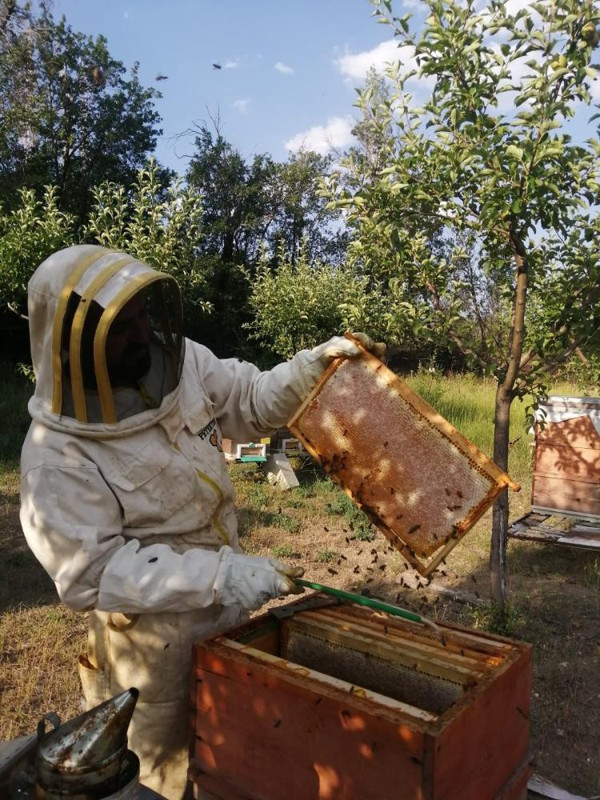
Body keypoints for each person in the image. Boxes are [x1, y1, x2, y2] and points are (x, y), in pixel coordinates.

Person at [19, 244, 383, 799]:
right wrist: (216, 576)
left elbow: (250, 402)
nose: (143, 333)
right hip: (150, 648)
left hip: (229, 619)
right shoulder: (56, 454)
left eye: (143, 314)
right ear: (73, 343)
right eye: (122, 328)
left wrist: (311, 367)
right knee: (159, 775)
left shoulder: (182, 361)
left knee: (229, 759)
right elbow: (90, 572)